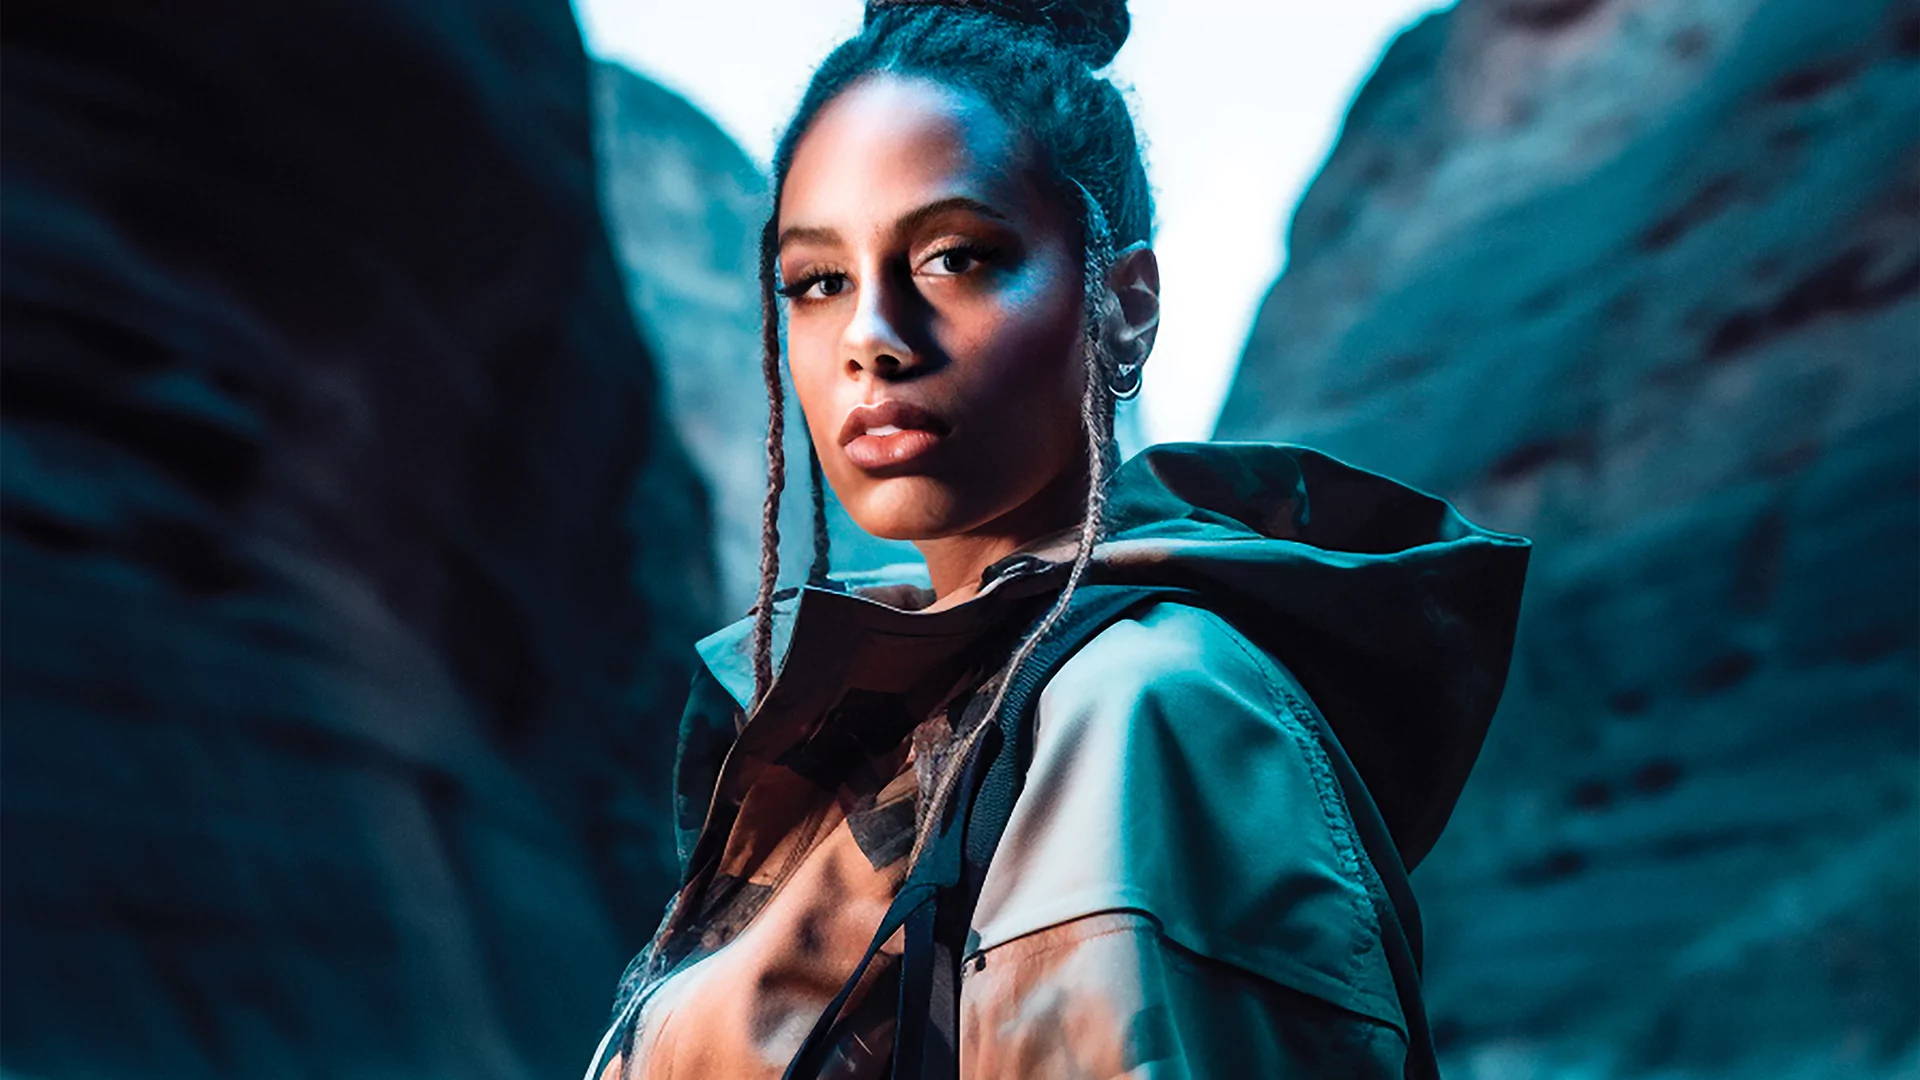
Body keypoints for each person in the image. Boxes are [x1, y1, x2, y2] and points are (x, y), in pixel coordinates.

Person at [584, 0, 1531, 1076]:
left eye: (956, 258)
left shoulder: (1138, 709)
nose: (871, 340)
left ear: (1124, 307)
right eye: (818, 282)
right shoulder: (910, 713)